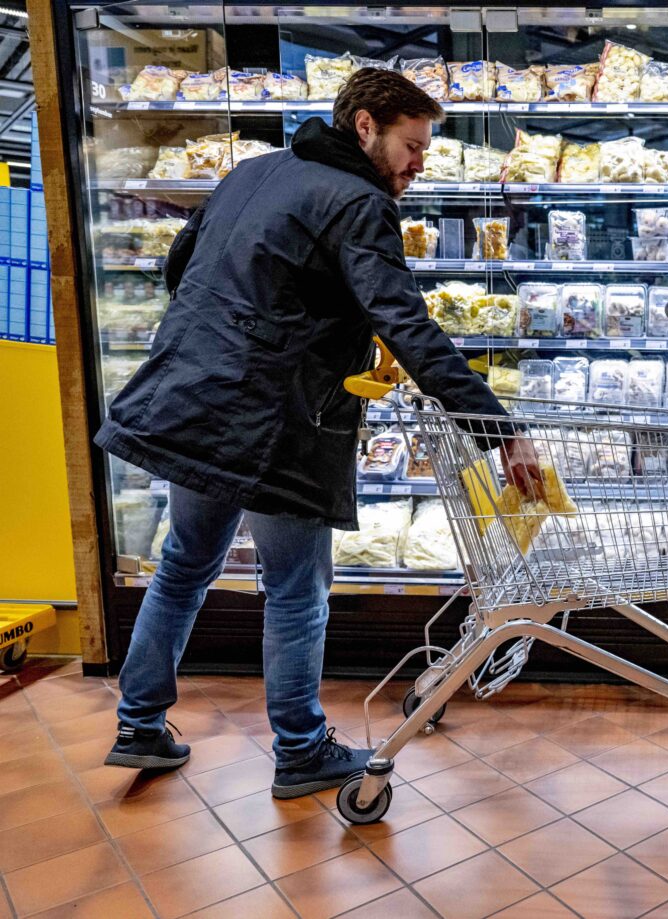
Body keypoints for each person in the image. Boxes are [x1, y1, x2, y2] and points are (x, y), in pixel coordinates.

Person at [96, 68, 542, 798]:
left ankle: (139, 723)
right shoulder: (360, 204)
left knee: (184, 563)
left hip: (190, 396)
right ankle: (300, 747)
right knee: (297, 589)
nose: (419, 162)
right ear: (364, 126)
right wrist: (501, 430)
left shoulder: (254, 170)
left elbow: (181, 264)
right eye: (412, 144)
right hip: (274, 420)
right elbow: (408, 325)